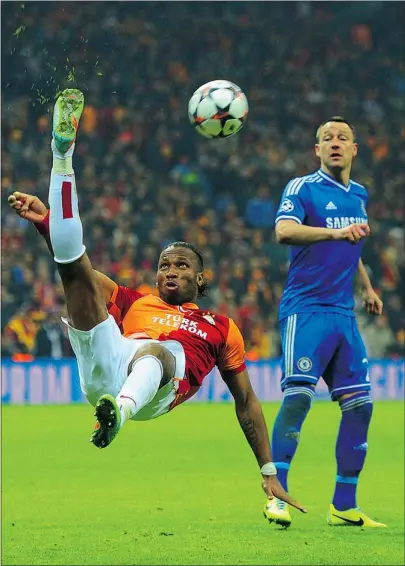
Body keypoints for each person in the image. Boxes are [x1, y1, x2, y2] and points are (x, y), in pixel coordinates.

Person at [9, 88, 306, 518]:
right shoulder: (134, 301)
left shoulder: (221, 328)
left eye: (181, 266)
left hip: (151, 395)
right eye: (165, 264)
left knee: (157, 351)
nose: (170, 271)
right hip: (103, 373)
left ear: (200, 278)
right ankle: (62, 155)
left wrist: (268, 468)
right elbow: (85, 272)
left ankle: (117, 417)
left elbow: (246, 401)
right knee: (72, 268)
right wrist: (46, 226)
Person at [266, 116, 386, 528]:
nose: (335, 143)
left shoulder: (359, 195)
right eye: (326, 139)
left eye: (343, 138)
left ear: (355, 149)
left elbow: (354, 248)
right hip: (307, 309)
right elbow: (283, 231)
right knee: (298, 398)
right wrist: (336, 235)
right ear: (316, 150)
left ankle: (344, 505)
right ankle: (276, 495)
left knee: (361, 407)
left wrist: (366, 287)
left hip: (343, 315)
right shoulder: (302, 188)